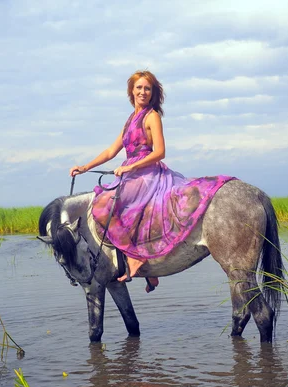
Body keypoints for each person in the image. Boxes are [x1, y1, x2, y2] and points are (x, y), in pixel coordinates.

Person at [70, 70, 234, 293]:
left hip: (147, 173)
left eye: (147, 88)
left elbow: (160, 151)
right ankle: (148, 274)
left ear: (153, 93)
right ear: (131, 91)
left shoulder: (152, 116)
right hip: (132, 173)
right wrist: (85, 167)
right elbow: (111, 151)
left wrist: (130, 166)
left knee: (106, 204)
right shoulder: (130, 119)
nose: (143, 92)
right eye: (139, 87)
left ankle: (136, 258)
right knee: (104, 202)